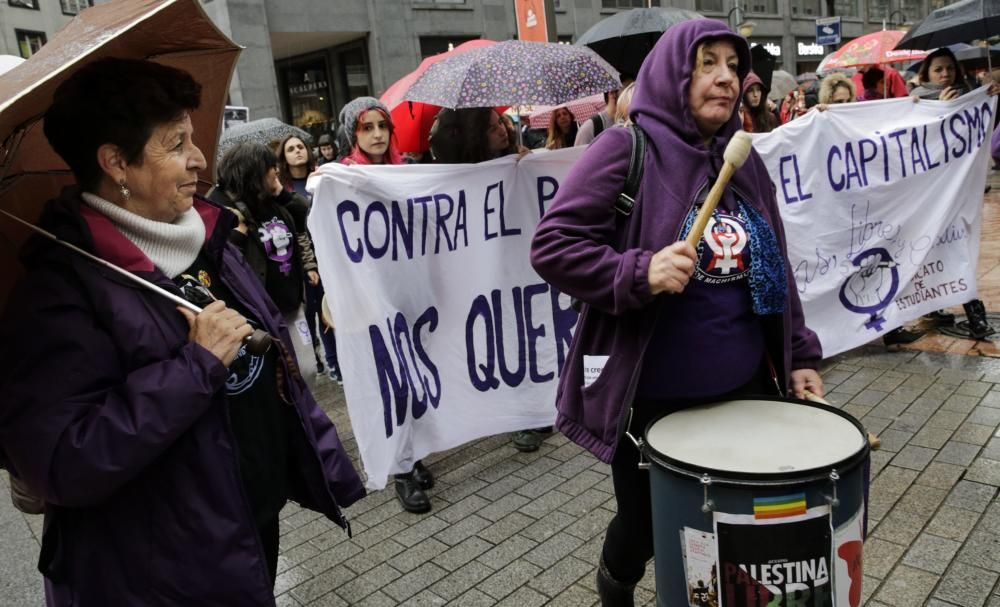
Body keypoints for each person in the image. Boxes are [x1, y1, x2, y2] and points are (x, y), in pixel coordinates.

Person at [0, 58, 364, 606]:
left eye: (192, 137)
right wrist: (195, 366)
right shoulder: (58, 294)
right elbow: (61, 461)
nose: (198, 158)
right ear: (115, 162)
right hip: (157, 572)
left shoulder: (205, 234)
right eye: (175, 144)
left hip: (241, 524)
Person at [530, 20, 823, 605]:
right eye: (706, 62)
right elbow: (553, 245)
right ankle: (615, 585)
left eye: (733, 67)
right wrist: (638, 271)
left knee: (744, 525)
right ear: (673, 73)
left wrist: (799, 356)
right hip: (653, 399)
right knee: (643, 530)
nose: (724, 78)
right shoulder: (626, 147)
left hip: (745, 387)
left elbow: (777, 266)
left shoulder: (744, 160)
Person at [338, 95, 436, 512]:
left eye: (383, 126)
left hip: (408, 293)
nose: (377, 134)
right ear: (353, 134)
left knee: (414, 377)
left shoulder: (407, 172)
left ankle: (412, 456)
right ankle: (401, 470)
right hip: (370, 300)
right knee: (390, 382)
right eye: (367, 127)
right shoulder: (340, 179)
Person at [909, 47, 995, 340]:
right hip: (927, 195)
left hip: (958, 192)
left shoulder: (969, 96)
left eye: (949, 68)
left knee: (959, 248)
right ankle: (935, 307)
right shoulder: (915, 101)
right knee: (927, 252)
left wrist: (991, 96)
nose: (945, 74)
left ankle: (974, 312)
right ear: (926, 74)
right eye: (938, 69)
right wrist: (940, 112)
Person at [211, 142, 324, 354]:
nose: (277, 170)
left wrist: (282, 193)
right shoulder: (227, 210)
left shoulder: (274, 200)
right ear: (255, 171)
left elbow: (304, 214)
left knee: (306, 368)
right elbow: (221, 262)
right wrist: (236, 236)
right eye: (271, 167)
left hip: (293, 304)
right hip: (264, 314)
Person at [277, 134, 315, 198]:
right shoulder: (280, 187)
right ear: (284, 158)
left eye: (300, 147)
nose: (297, 150)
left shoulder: (320, 178)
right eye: (291, 149)